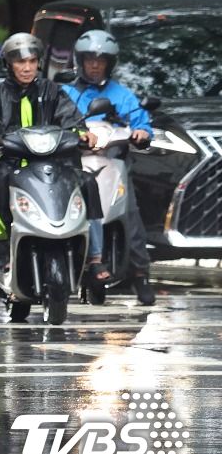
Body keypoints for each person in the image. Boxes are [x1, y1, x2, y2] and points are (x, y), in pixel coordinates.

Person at [0, 33, 95, 269]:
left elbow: (71, 120)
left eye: (32, 61)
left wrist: (82, 134)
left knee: (88, 182)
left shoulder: (52, 91)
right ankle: (1, 244)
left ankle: (91, 251)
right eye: (20, 62)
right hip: (10, 164)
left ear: (39, 63)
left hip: (52, 164)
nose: (27, 68)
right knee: (0, 178)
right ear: (8, 64)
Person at [61, 30, 155, 305]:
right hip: (75, 164)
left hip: (113, 161)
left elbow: (141, 120)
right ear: (80, 60)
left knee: (131, 214)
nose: (94, 64)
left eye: (101, 60)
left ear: (109, 64)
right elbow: (56, 120)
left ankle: (140, 274)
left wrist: (142, 133)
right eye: (89, 59)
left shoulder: (122, 94)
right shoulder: (66, 91)